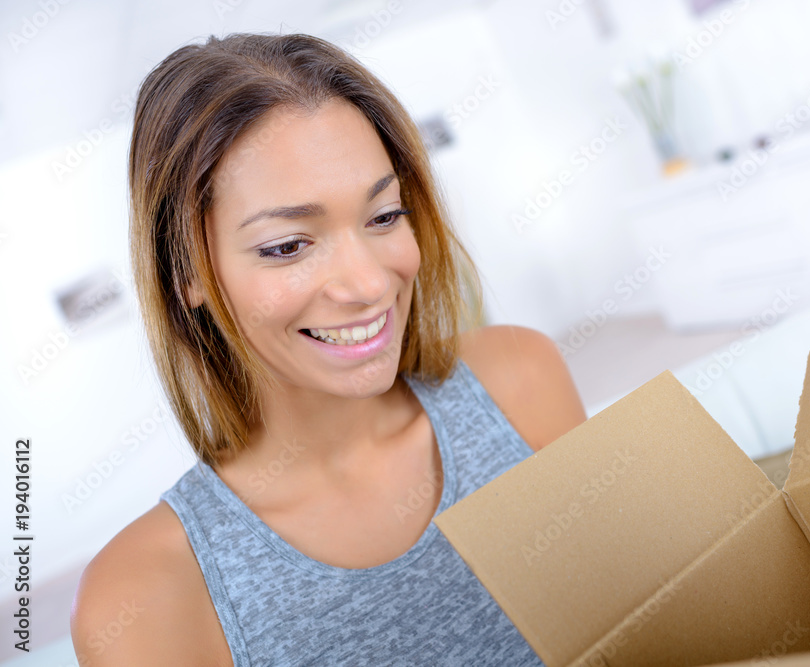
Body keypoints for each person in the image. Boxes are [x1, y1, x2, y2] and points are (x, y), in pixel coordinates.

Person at [70, 32, 587, 666]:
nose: (370, 283)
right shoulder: (143, 592)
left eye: (384, 216)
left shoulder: (521, 383)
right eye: (287, 245)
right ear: (188, 277)